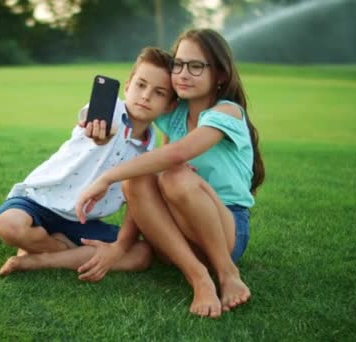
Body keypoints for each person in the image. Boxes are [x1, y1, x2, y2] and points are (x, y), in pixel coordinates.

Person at [75, 28, 265, 318]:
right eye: (178, 64)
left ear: (221, 75)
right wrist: (92, 121)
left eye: (196, 66)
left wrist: (106, 177)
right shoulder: (174, 114)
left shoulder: (228, 112)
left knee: (175, 174)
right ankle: (198, 275)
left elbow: (176, 154)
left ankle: (227, 273)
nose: (183, 73)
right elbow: (128, 108)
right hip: (175, 242)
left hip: (226, 233)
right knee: (144, 175)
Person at [0, 47, 177, 281]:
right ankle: (66, 253)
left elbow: (137, 205)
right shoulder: (111, 111)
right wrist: (101, 132)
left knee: (141, 254)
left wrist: (118, 247)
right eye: (141, 85)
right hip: (39, 200)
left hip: (81, 222)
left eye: (159, 92)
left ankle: (38, 258)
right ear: (128, 86)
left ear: (169, 105)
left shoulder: (150, 154)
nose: (145, 96)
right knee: (8, 225)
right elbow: (92, 118)